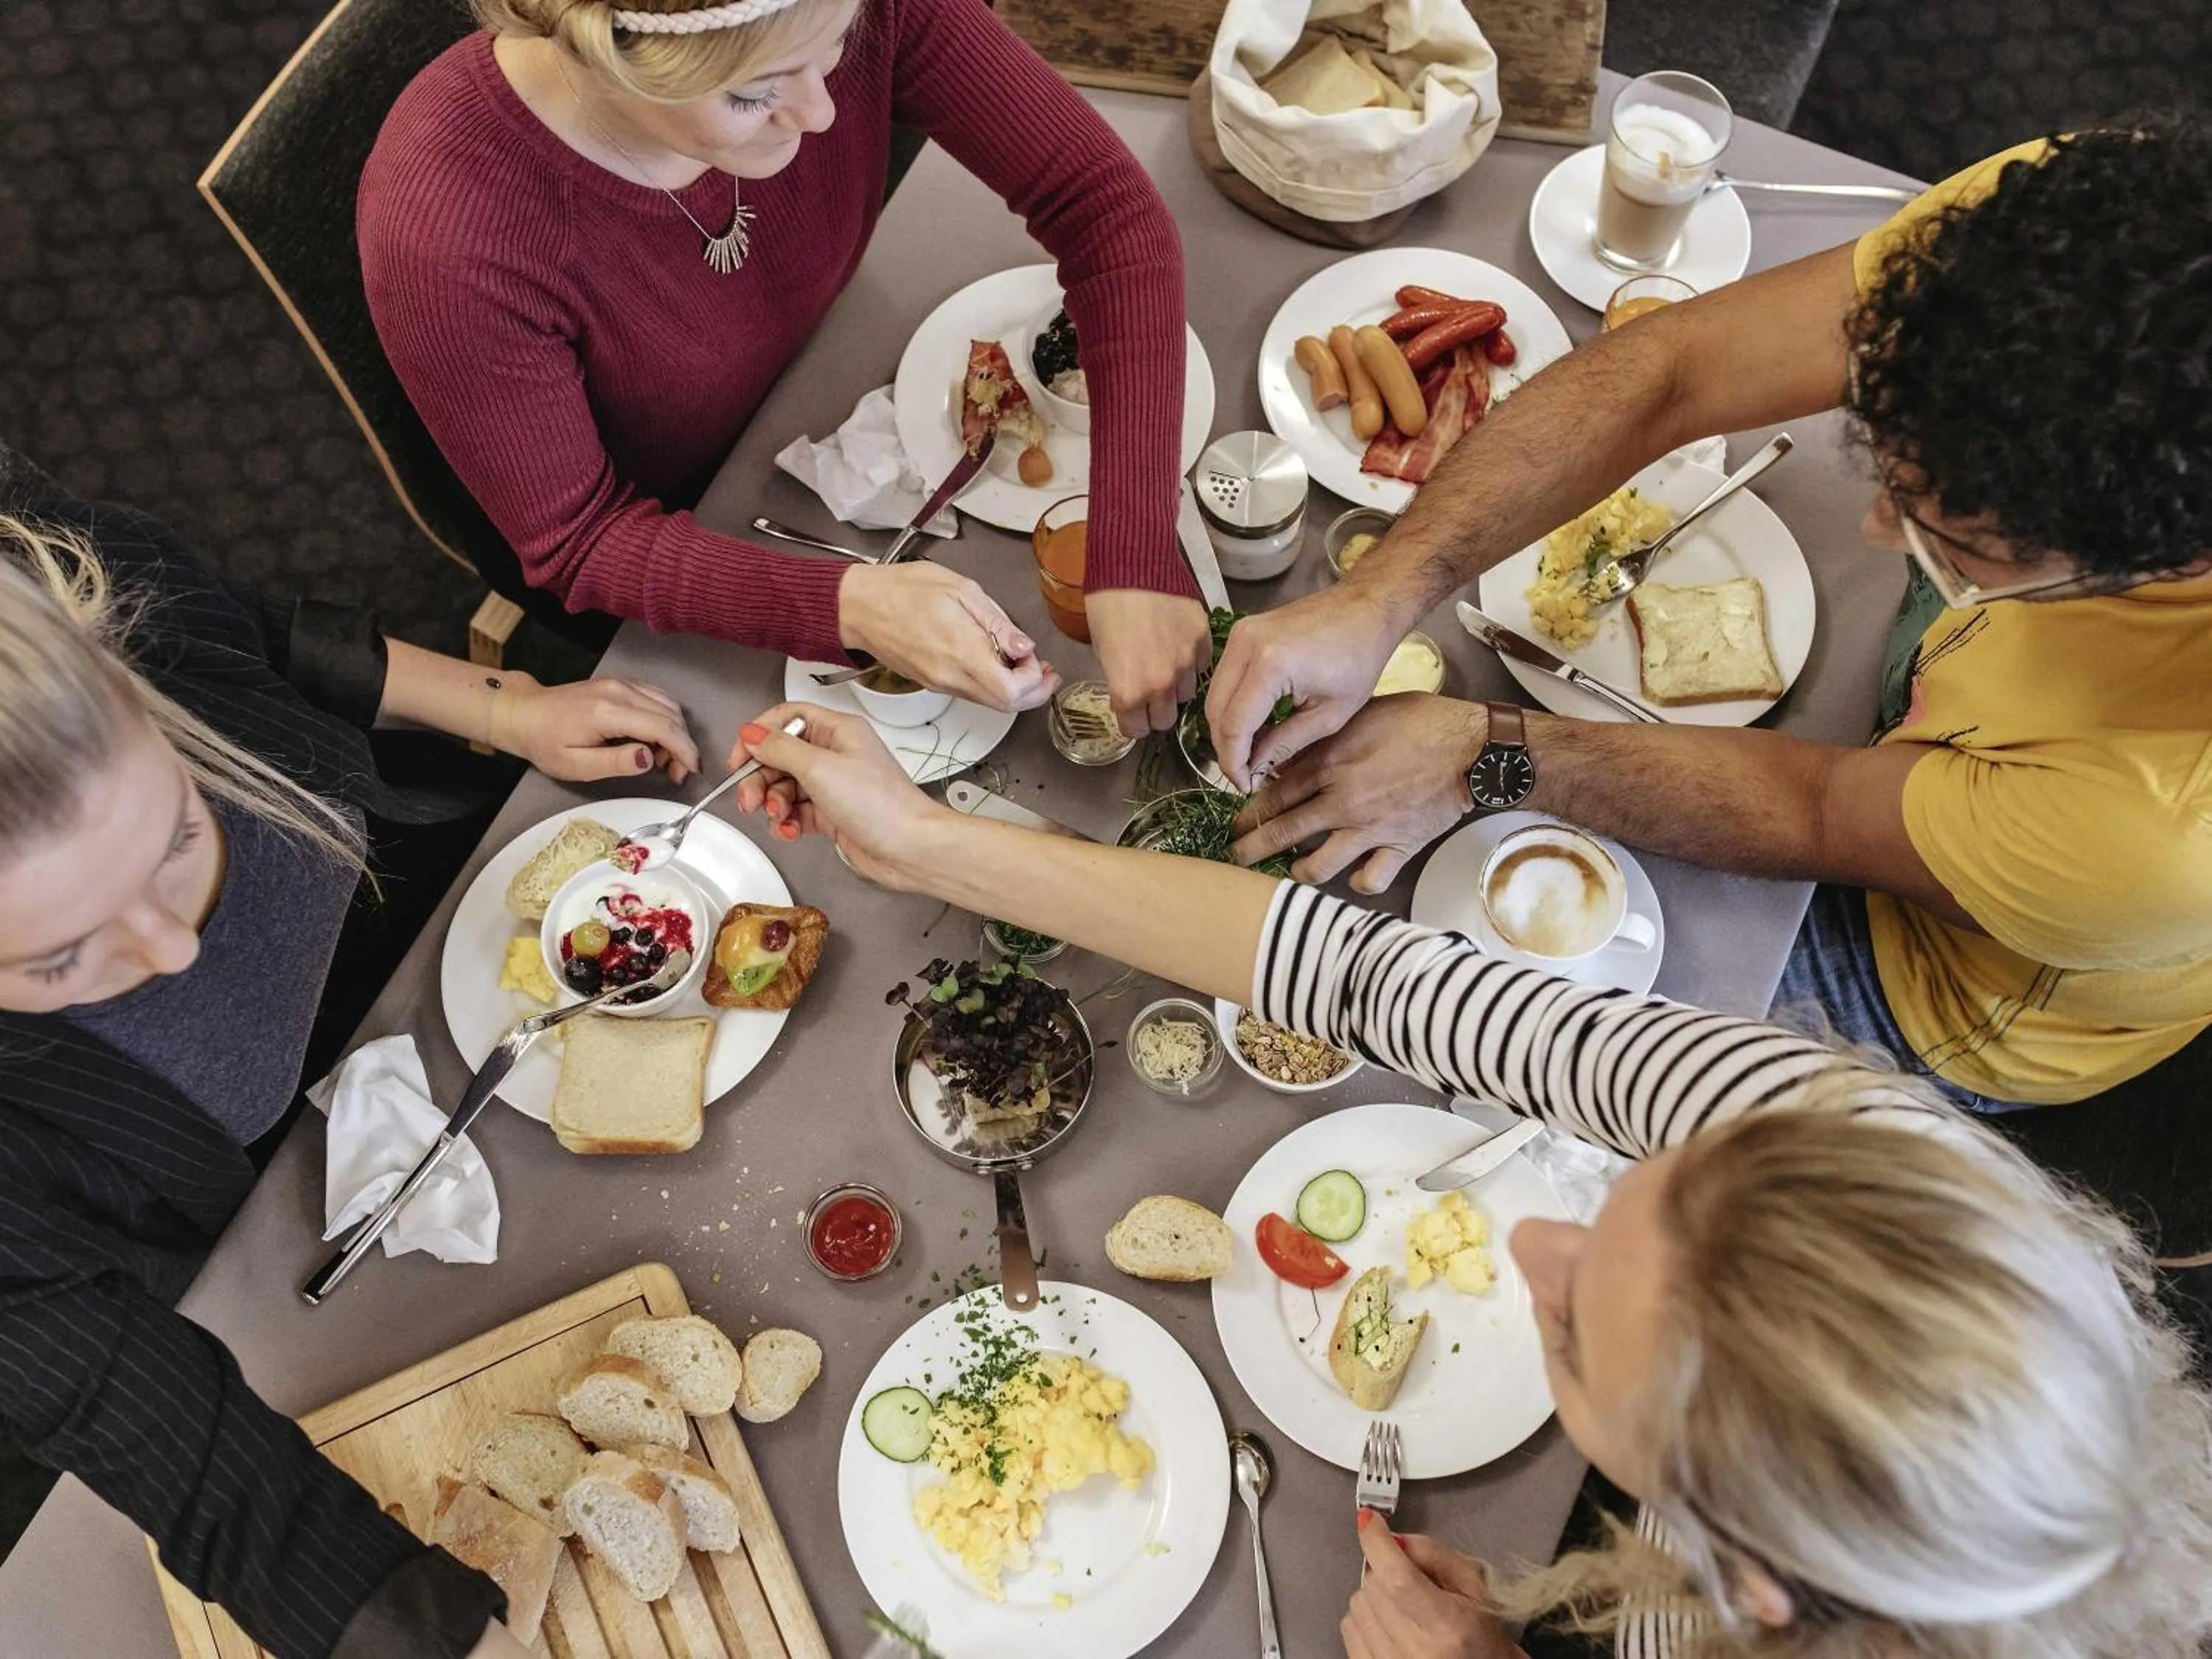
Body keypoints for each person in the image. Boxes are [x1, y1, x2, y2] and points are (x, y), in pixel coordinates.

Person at [730, 704, 2212, 1659]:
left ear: (1741, 1581)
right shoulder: (1817, 1124)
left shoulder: (1720, 1613)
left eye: (1569, 1334)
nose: (1533, 1255)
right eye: (1639, 1193)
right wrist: (928, 839)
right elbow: (1354, 970)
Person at [1199, 127, 2212, 1111]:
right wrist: (1383, 593)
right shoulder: (2105, 255)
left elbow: (1819, 810)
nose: (1874, 529)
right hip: (1954, 742)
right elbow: (1675, 370)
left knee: (1522, 1049)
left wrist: (1484, 753)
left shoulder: (2158, 828)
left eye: (1951, 539)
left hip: (1934, 971)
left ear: (2148, 562)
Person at [0, 470, 702, 1659]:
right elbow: (166, 1437)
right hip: (284, 1233)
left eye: (175, 833)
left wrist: (509, 708)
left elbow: (256, 629)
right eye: (65, 956)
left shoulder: (74, 575)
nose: (174, 947)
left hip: (432, 940)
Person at [361, 0, 1213, 735]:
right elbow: (582, 541)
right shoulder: (448, 233)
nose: (822, 115)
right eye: (755, 94)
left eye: (837, 45)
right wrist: (848, 604)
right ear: (607, 58)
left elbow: (1106, 212)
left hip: (822, 374)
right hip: (666, 538)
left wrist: (1134, 540)